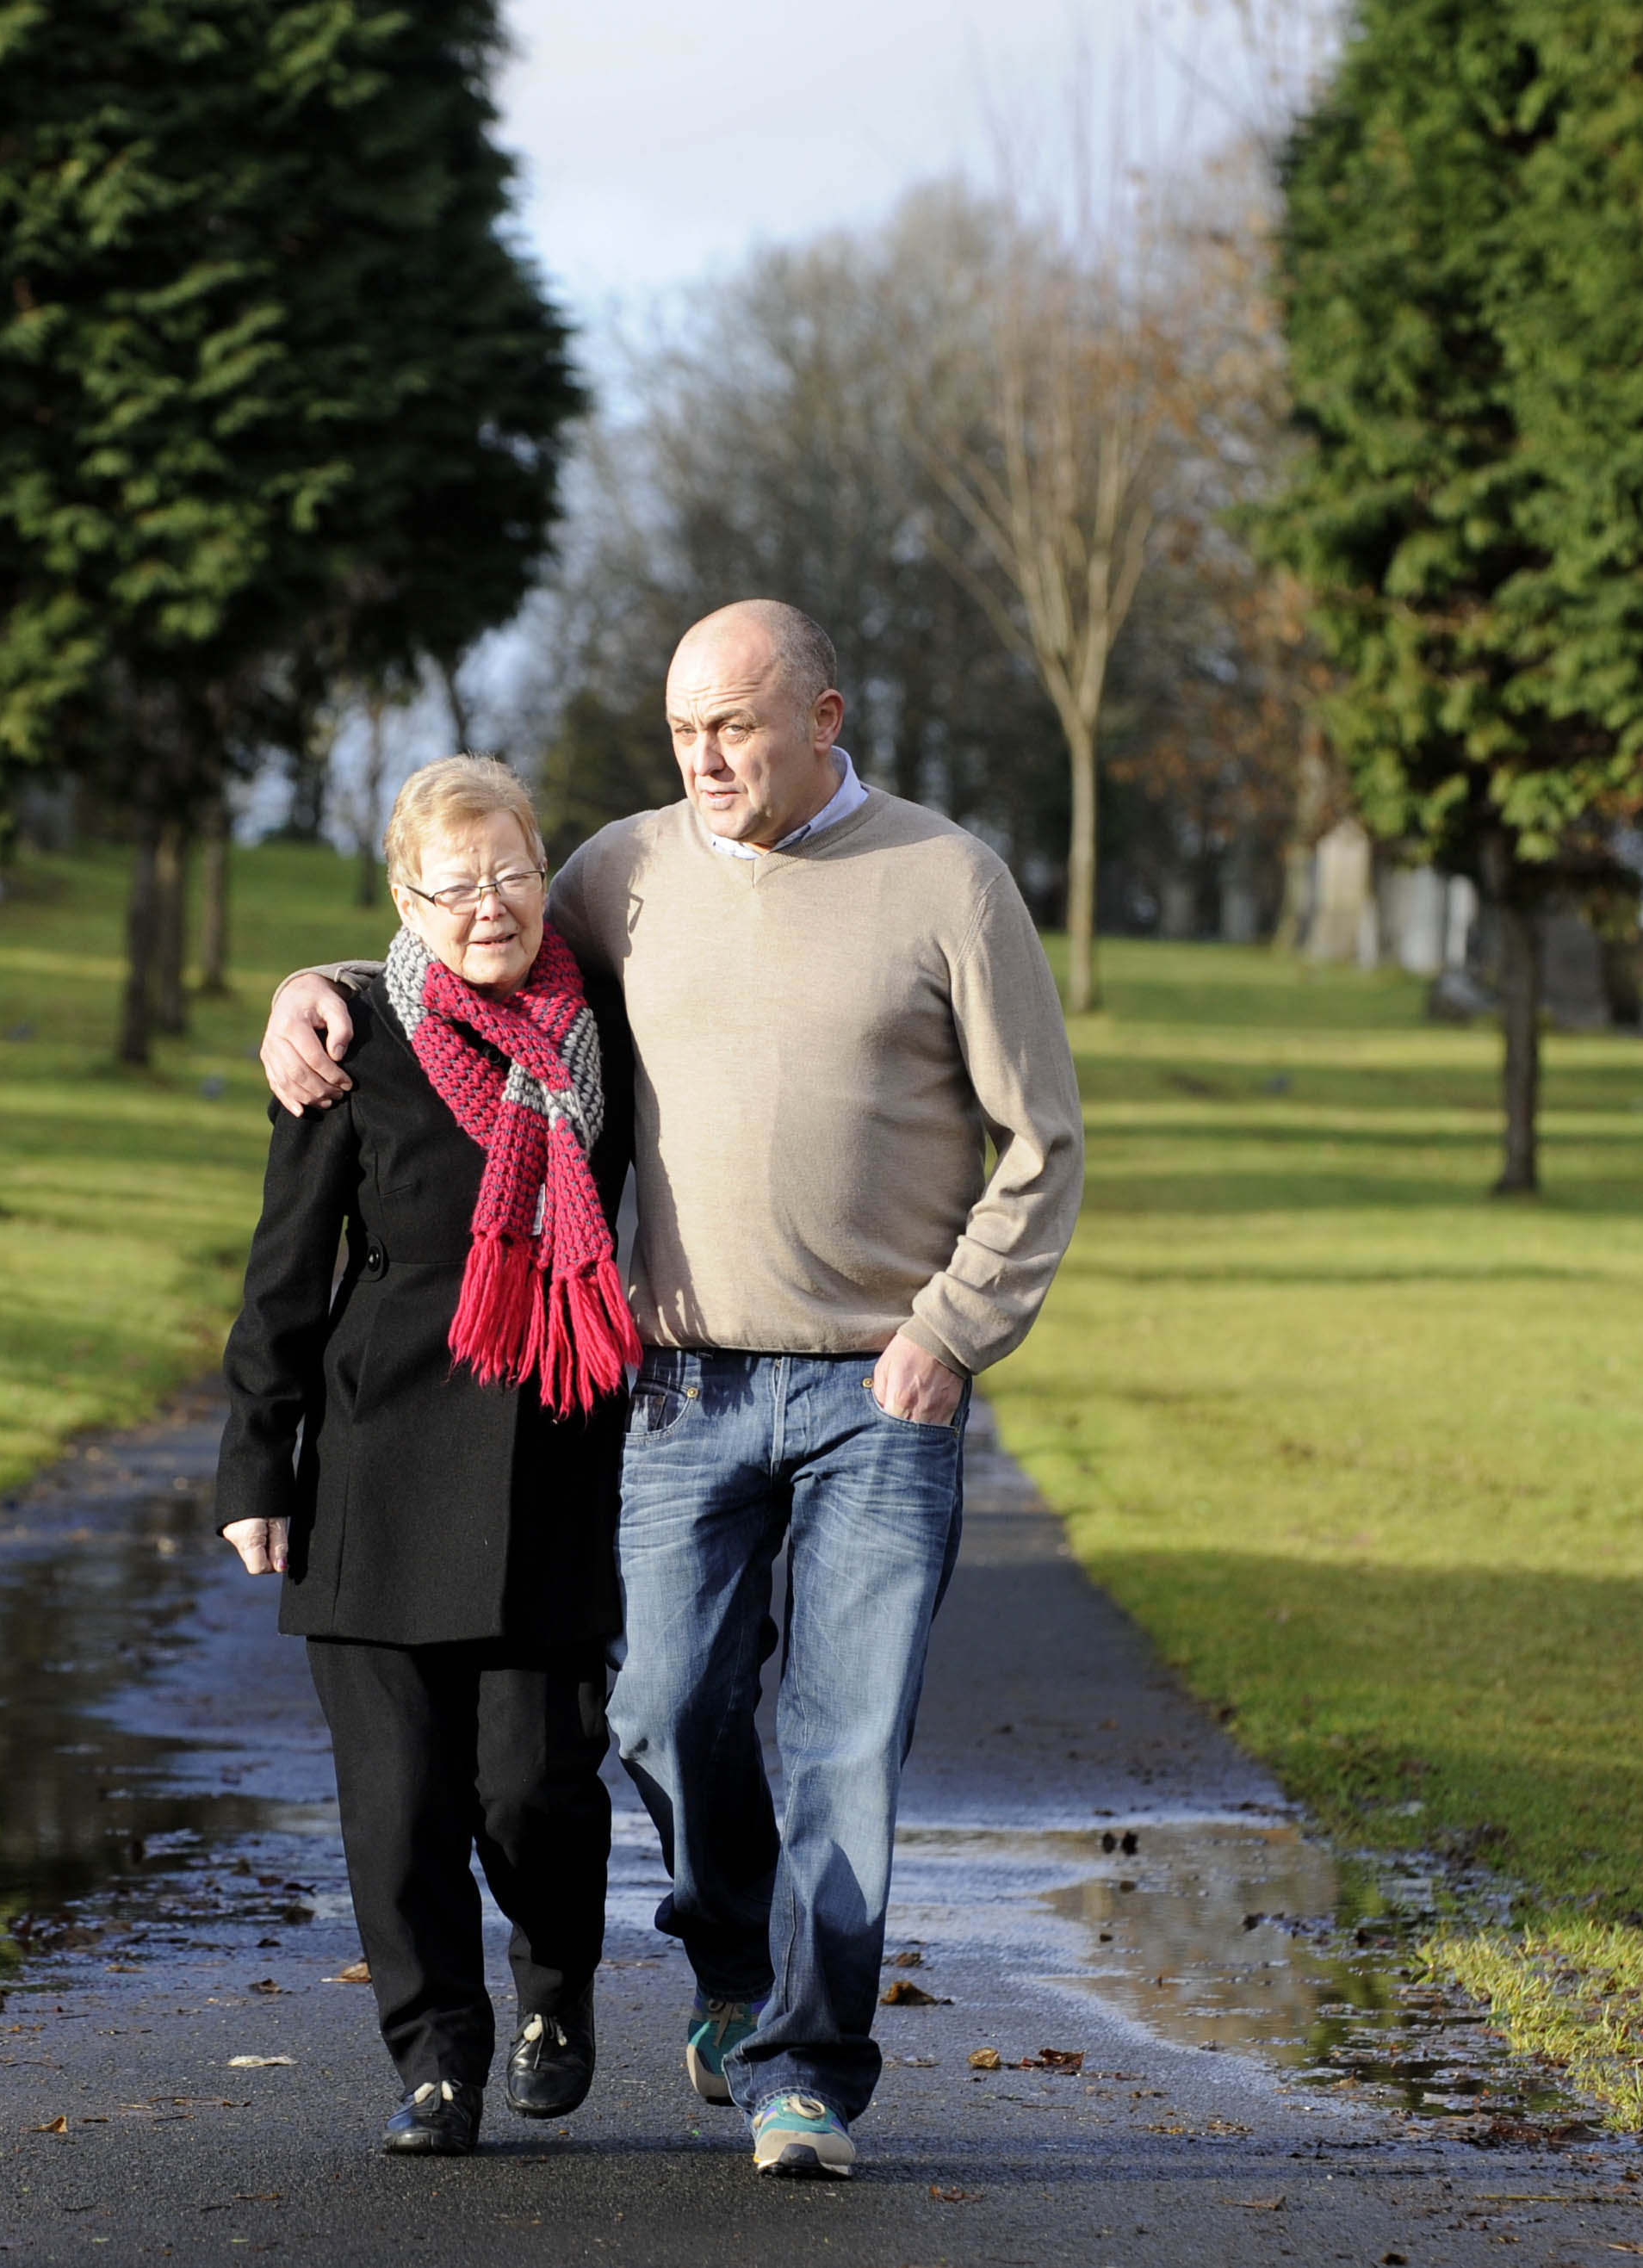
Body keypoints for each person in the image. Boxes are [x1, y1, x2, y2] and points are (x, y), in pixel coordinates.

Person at [259, 601, 1085, 2180]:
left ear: (826, 715)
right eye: (683, 731)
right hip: (680, 1388)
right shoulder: (624, 868)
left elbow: (1040, 1143)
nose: (704, 759)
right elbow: (470, 954)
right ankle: (729, 1963)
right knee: (653, 1711)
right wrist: (312, 990)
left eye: (737, 727)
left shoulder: (947, 881)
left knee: (843, 1744)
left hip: (877, 1394)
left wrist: (952, 1331)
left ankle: (804, 2071)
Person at [215, 755, 640, 2160]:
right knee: (397, 1803)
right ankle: (437, 2056)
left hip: (553, 1445)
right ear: (406, 896)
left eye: (512, 872)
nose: (487, 905)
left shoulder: (609, 1031)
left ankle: (554, 1988)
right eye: (452, 884)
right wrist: (254, 1465)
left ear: (546, 870)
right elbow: (284, 1269)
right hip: (376, 1455)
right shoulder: (351, 1039)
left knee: (534, 1782)